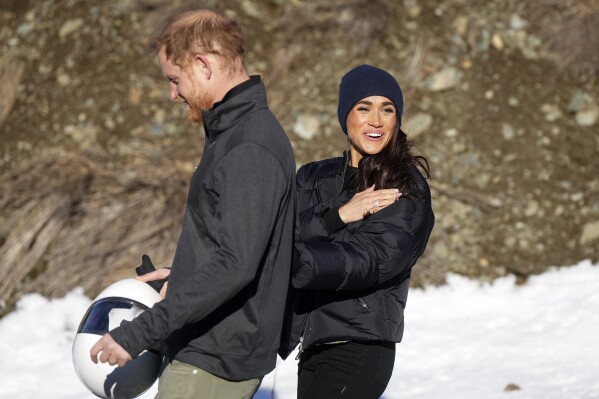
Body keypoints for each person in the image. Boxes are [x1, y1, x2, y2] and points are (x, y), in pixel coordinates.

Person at [90, 9, 296, 399]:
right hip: (206, 346)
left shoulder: (249, 145)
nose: (172, 94)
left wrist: (141, 332)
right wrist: (183, 274)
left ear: (202, 65)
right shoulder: (232, 133)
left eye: (174, 79)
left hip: (215, 357)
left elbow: (235, 264)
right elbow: (235, 245)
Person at [279, 64, 435, 399]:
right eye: (364, 108)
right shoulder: (312, 177)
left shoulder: (402, 183)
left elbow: (374, 257)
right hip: (313, 347)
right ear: (345, 115)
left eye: (387, 110)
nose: (376, 121)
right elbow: (277, 233)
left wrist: (297, 260)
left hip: (361, 347)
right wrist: (337, 217)